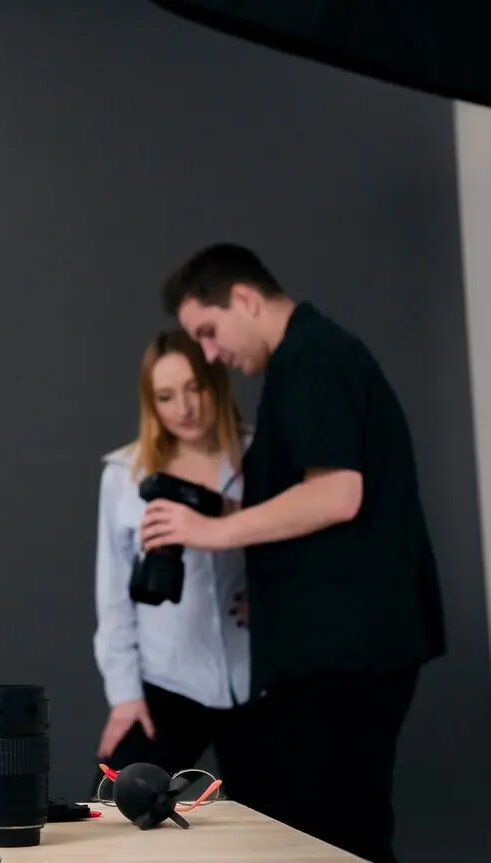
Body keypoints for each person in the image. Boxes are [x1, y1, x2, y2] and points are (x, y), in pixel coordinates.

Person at [145, 242, 446, 863]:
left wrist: (211, 533)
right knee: (325, 831)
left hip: (346, 658)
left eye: (207, 330)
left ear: (246, 299)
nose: (208, 352)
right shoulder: (303, 364)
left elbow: (337, 494)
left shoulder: (311, 357)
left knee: (338, 836)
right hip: (333, 651)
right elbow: (311, 505)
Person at [92, 329, 250, 797]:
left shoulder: (260, 457)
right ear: (150, 402)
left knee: (289, 824)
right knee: (119, 808)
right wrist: (125, 696)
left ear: (216, 384)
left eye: (195, 388)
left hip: (259, 676)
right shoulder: (125, 475)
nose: (184, 408)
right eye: (165, 396)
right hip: (169, 676)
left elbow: (304, 551)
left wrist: (277, 599)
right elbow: (114, 596)